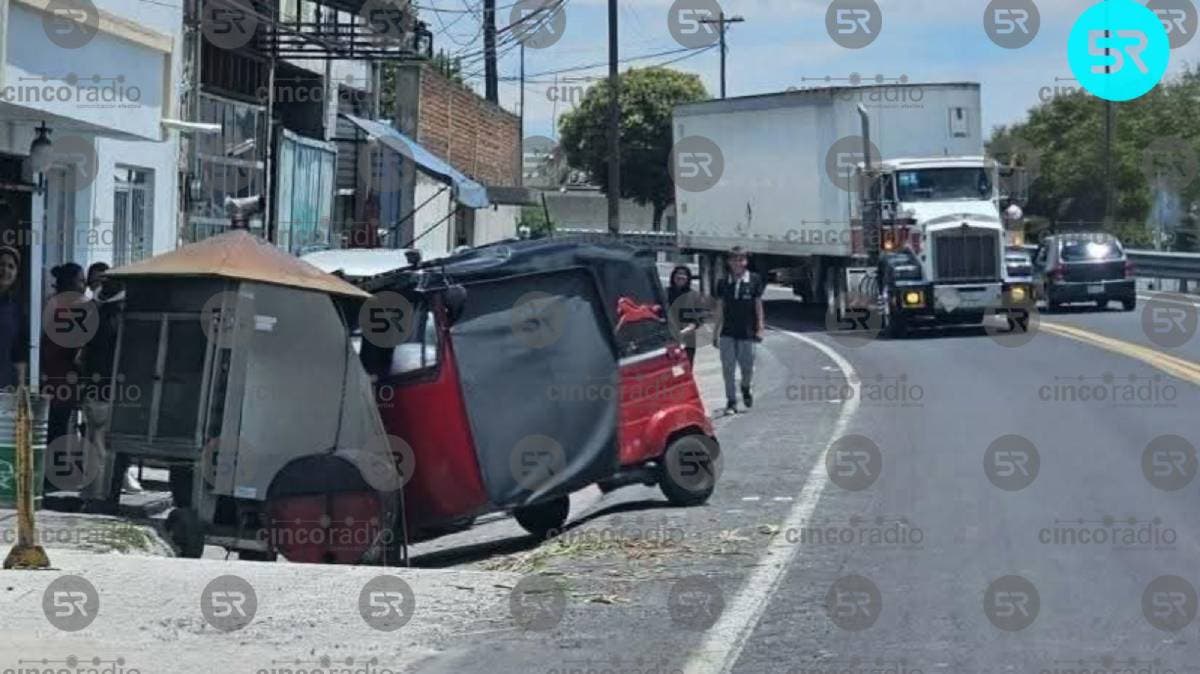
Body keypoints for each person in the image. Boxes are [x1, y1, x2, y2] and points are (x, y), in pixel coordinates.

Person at [42, 263, 86, 492]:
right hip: (62, 375)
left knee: (58, 426)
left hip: (56, 374)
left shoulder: (55, 302)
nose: (84, 284)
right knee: (57, 427)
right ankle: (52, 476)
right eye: (80, 280)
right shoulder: (67, 306)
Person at [712, 247, 765, 415]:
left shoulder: (754, 280)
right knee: (728, 368)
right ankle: (731, 401)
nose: (737, 263)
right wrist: (715, 332)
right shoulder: (723, 282)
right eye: (734, 259)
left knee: (747, 368)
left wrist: (760, 327)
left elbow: (758, 306)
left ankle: (745, 387)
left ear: (746, 262)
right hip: (728, 331)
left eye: (741, 259)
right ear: (729, 262)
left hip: (747, 331)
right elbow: (720, 308)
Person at [0, 247, 28, 391]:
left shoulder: (17, 308)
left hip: (6, 385)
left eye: (11, 266)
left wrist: (20, 388)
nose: (5, 270)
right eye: (1, 264)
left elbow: (19, 351)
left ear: (16, 273)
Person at [667, 265, 704, 365]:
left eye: (684, 275)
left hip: (688, 339)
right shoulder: (665, 293)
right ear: (673, 277)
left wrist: (686, 330)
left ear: (688, 278)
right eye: (678, 275)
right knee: (671, 369)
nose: (680, 277)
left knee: (685, 368)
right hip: (668, 338)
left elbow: (699, 319)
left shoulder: (694, 295)